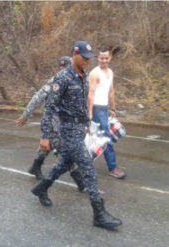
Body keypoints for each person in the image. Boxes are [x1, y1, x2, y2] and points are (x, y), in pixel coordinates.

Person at [31, 41, 122, 230]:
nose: (88, 61)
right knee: (87, 168)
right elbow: (49, 108)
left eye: (90, 58)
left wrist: (88, 123)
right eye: (84, 58)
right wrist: (45, 136)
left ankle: (41, 188)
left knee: (63, 164)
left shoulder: (83, 77)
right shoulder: (62, 78)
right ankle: (99, 214)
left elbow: (81, 104)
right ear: (74, 55)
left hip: (80, 129)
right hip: (68, 131)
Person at [16, 57, 85, 191]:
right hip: (52, 123)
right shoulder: (54, 82)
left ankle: (35, 166)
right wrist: (26, 115)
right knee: (63, 150)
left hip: (64, 122)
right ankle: (79, 180)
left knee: (49, 145)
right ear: (62, 68)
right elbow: (37, 98)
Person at [87, 47, 126, 179]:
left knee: (96, 137)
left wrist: (113, 108)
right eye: (101, 58)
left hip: (104, 109)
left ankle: (78, 160)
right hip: (97, 109)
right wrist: (90, 113)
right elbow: (90, 94)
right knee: (106, 139)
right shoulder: (94, 73)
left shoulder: (110, 72)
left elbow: (111, 91)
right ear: (98, 58)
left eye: (106, 58)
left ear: (110, 58)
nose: (103, 60)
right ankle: (113, 168)